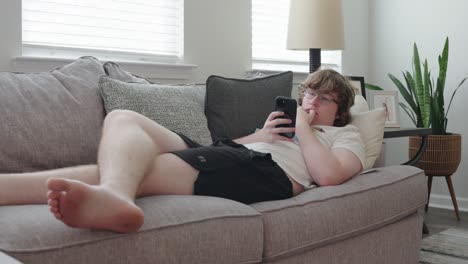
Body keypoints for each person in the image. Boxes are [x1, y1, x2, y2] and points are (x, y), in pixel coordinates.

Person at [0, 69, 365, 233]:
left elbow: (329, 175)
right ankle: (114, 193)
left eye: (324, 97)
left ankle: (11, 190)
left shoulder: (344, 136)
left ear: (341, 109)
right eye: (309, 93)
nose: (312, 101)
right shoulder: (280, 127)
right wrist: (261, 135)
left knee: (146, 168)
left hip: (268, 172)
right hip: (236, 153)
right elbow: (229, 149)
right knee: (125, 118)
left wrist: (303, 125)